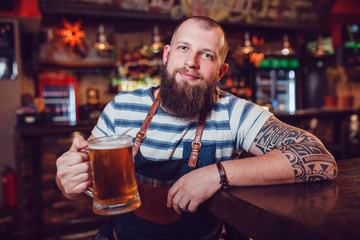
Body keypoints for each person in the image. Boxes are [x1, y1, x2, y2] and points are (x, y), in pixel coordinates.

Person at [55, 16, 338, 240]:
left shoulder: (234, 112)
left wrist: (218, 174)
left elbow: (320, 159)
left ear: (220, 72)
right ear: (167, 55)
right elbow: (85, 177)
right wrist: (68, 184)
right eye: (183, 48)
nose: (191, 62)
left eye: (207, 55)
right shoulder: (122, 107)